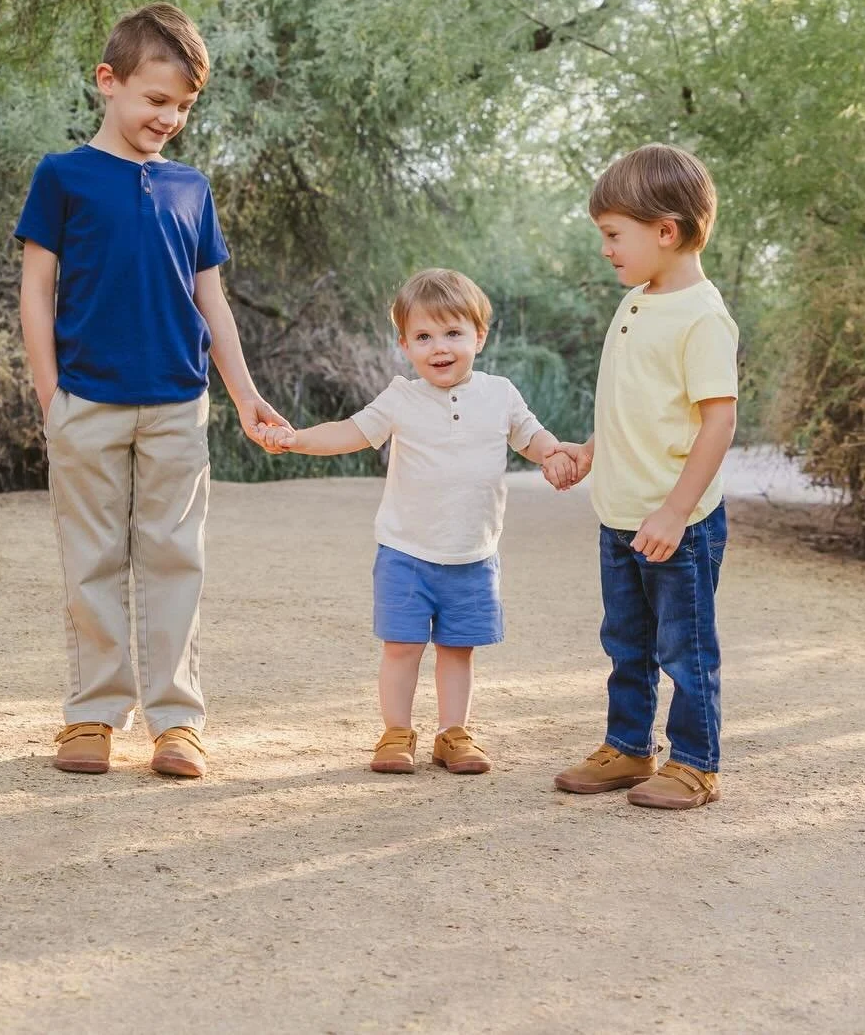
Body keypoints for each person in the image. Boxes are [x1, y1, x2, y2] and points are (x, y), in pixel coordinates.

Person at [16, 3, 287, 781]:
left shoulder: (190, 189)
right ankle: (93, 715)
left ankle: (177, 723)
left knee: (175, 561)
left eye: (184, 107)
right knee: (92, 562)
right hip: (86, 404)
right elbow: (38, 290)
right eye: (156, 100)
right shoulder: (62, 176)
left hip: (177, 401)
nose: (169, 118)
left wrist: (244, 394)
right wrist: (50, 396)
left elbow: (214, 302)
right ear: (109, 82)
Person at [264, 268, 574, 775]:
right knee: (402, 647)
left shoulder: (500, 393)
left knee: (457, 651)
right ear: (404, 345)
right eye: (424, 337)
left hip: (473, 555)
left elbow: (531, 436)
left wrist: (554, 455)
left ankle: (454, 734)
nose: (439, 347)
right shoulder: (401, 399)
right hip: (406, 552)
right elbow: (349, 432)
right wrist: (295, 437)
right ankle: (396, 732)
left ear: (479, 335)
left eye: (453, 333)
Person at [550, 144, 738, 811]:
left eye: (612, 234)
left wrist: (673, 513)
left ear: (666, 230)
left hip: (676, 523)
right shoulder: (637, 301)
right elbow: (637, 402)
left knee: (684, 648)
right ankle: (630, 747)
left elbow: (717, 423)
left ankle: (695, 762)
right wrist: (593, 450)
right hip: (621, 513)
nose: (605, 249)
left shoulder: (702, 316)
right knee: (626, 643)